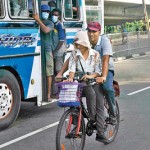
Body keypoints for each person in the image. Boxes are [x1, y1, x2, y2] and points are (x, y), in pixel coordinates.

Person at [56, 22, 116, 123]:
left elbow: (105, 59)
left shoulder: (104, 41)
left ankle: (113, 113)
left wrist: (103, 76)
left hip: (106, 69)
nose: (91, 33)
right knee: (76, 88)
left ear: (99, 32)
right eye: (89, 31)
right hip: (89, 70)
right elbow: (72, 58)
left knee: (106, 87)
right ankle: (77, 120)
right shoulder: (85, 39)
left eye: (94, 31)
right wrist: (60, 73)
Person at [67, 30, 107, 142]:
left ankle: (99, 130)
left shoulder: (95, 54)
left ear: (85, 43)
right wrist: (70, 78)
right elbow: (71, 69)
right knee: (73, 100)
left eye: (79, 43)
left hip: (94, 82)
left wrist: (90, 76)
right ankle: (77, 126)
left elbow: (98, 72)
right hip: (81, 83)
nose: (77, 45)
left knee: (97, 100)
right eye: (76, 44)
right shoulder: (74, 54)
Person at [33, 4, 54, 102]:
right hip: (38, 49)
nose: (46, 13)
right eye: (44, 11)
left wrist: (38, 20)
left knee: (49, 72)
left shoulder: (50, 22)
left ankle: (48, 95)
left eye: (47, 12)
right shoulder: (36, 21)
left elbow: (45, 30)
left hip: (48, 50)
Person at [50, 8, 66, 75]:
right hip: (55, 51)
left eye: (56, 15)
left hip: (59, 52)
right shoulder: (53, 25)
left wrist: (55, 51)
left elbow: (61, 40)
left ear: (59, 16)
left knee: (59, 70)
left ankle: (60, 85)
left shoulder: (60, 26)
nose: (54, 16)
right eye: (53, 15)